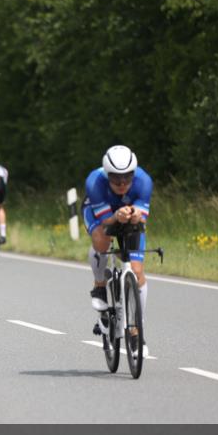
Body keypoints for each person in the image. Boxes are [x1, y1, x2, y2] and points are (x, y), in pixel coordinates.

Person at [83, 144, 153, 356]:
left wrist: (135, 216)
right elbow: (106, 222)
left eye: (127, 177)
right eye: (116, 178)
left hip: (128, 217)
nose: (122, 183)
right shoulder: (95, 182)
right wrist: (116, 217)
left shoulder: (144, 182)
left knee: (138, 272)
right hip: (100, 215)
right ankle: (100, 285)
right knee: (102, 241)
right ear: (107, 174)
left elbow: (142, 218)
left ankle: (135, 332)